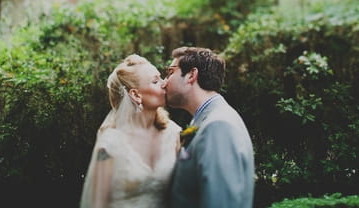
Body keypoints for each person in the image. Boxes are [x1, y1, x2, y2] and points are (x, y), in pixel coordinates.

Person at [80, 54, 181, 208]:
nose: (164, 83)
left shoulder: (172, 133)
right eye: (155, 81)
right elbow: (97, 203)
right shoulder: (110, 143)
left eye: (161, 78)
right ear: (135, 94)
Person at [164, 46, 255, 208]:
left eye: (170, 72)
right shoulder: (205, 121)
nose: (164, 82)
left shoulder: (218, 125)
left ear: (191, 75)